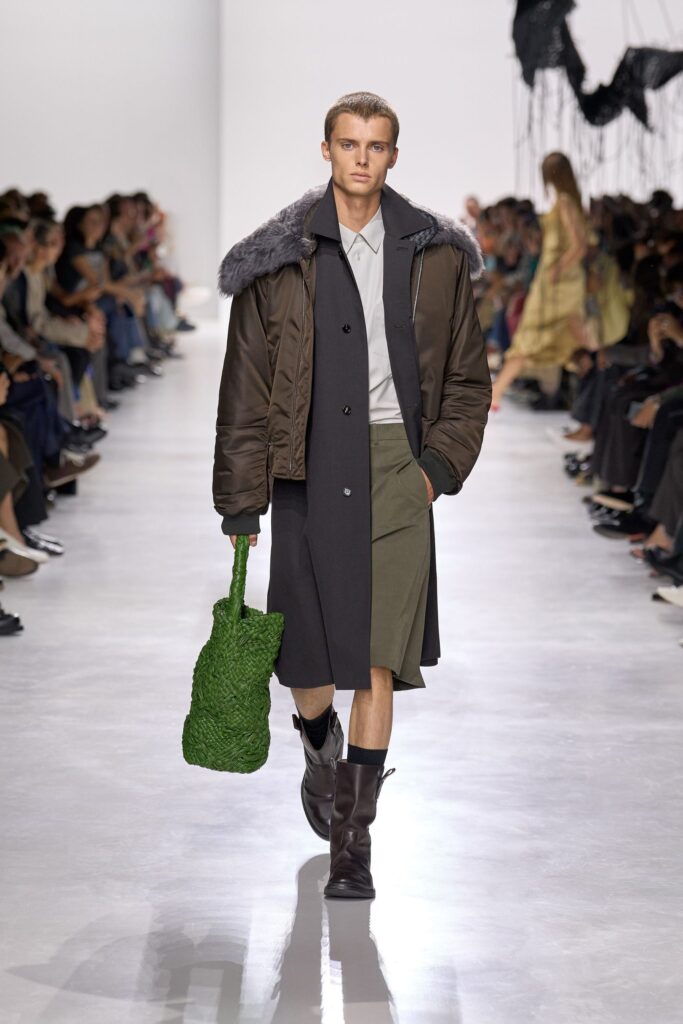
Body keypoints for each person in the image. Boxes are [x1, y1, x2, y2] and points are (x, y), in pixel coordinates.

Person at [213, 91, 491, 899]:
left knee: (375, 661)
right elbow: (245, 386)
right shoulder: (278, 261)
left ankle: (352, 841)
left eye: (375, 145)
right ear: (326, 150)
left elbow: (467, 377)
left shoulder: (435, 255)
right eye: (348, 143)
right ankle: (316, 741)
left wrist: (435, 469)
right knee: (306, 660)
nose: (361, 158)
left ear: (392, 156)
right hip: (304, 466)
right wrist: (241, 500)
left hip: (397, 467)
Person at [490, 151, 590, 409]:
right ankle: (596, 394)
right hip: (559, 279)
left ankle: (495, 394)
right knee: (573, 337)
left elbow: (579, 244)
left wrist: (558, 268)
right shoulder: (569, 202)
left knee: (535, 335)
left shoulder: (565, 203)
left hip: (558, 282)